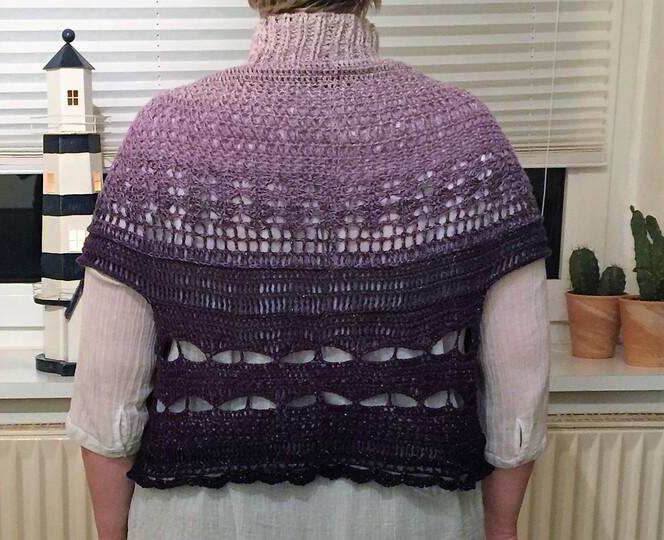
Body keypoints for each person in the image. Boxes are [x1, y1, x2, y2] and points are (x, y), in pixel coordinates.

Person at [66, 1, 551, 539]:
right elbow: (518, 382)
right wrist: (501, 524)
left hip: (206, 519)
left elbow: (108, 396)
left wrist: (111, 530)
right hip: (410, 520)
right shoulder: (466, 136)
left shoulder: (166, 137)